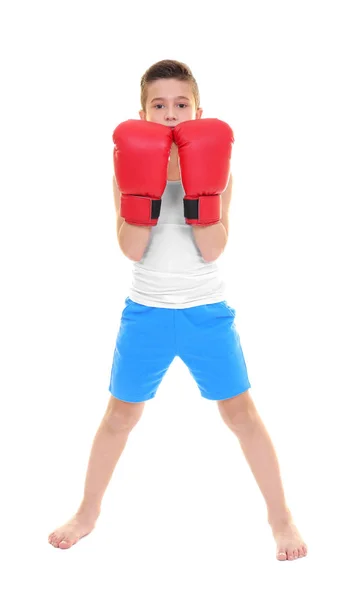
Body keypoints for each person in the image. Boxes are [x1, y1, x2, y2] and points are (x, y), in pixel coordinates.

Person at [48, 59, 307, 561]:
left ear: (198, 110)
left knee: (242, 415)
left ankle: (281, 518)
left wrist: (199, 187)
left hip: (205, 313)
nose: (171, 114)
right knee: (119, 417)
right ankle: (87, 512)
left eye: (181, 105)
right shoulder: (125, 165)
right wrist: (142, 188)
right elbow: (129, 247)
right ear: (143, 113)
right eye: (159, 105)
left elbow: (213, 248)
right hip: (145, 313)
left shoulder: (219, 165)